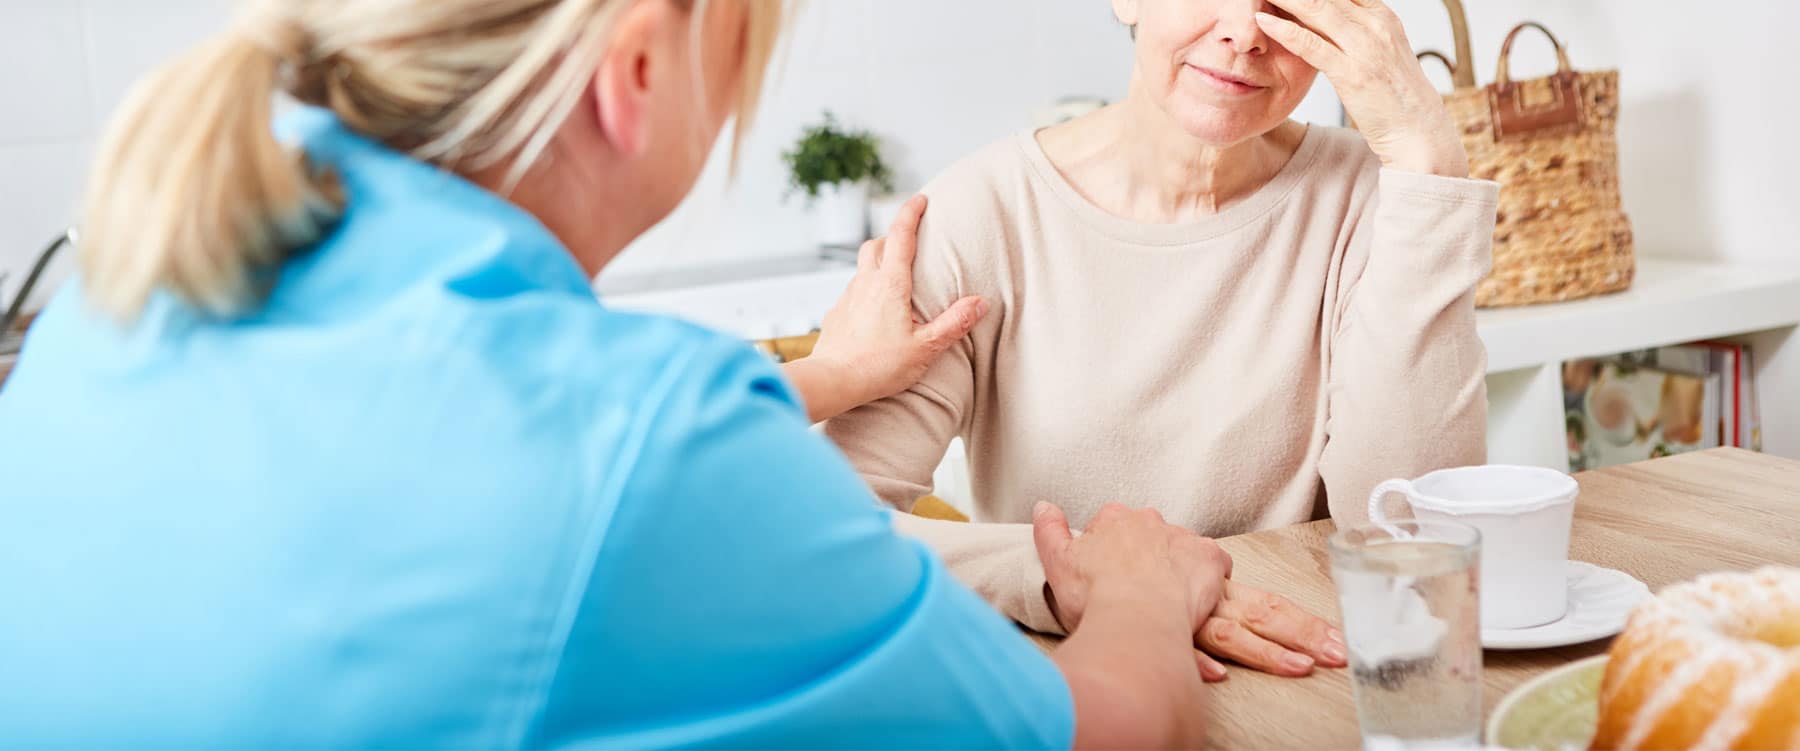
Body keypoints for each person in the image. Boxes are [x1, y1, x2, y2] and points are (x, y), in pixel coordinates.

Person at [0, 0, 1232, 747]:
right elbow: (1101, 731)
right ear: (638, 71)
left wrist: (828, 381)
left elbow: (453, 450)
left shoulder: (146, 277)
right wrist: (1134, 587)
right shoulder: (640, 438)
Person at [826, 0, 1499, 679]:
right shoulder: (981, 214)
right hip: (1084, 687)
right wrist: (1074, 579)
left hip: (1318, 681)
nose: (1244, 30)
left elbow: (1413, 542)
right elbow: (829, 538)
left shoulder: (1381, 198)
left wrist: (1429, 164)